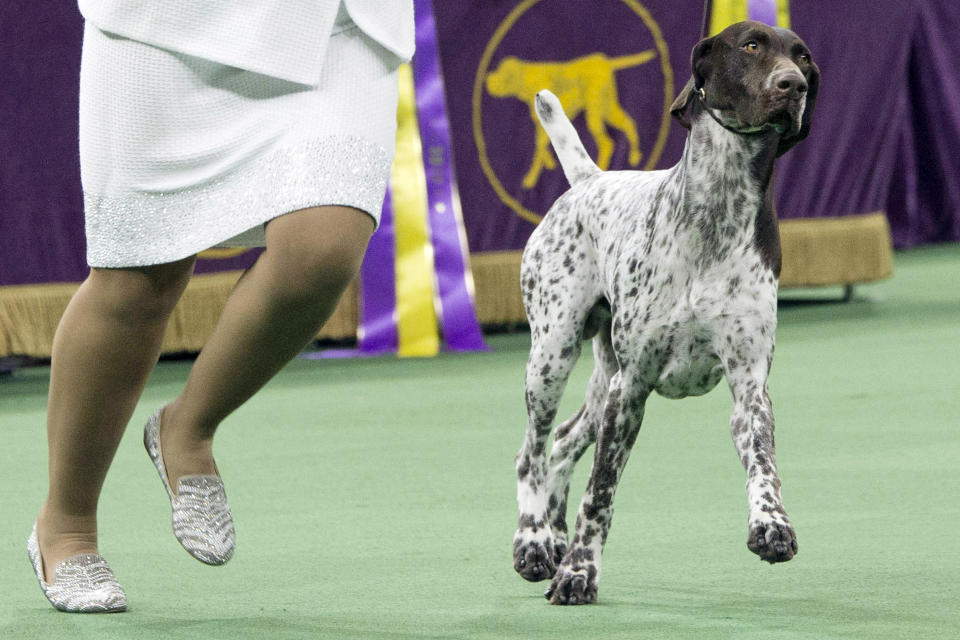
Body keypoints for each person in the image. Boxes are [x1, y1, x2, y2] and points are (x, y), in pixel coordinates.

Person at [28, 0, 414, 612]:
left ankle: (189, 427)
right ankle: (67, 523)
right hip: (166, 25)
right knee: (140, 278)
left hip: (338, 26)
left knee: (324, 247)